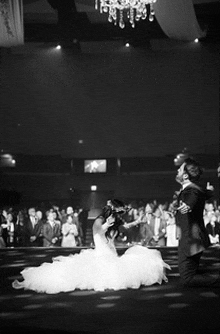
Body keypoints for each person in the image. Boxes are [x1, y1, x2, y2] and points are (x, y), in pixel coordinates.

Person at [12, 199, 170, 294]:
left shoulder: (114, 221)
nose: (116, 216)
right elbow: (98, 233)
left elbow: (122, 227)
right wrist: (107, 226)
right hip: (102, 254)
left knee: (142, 257)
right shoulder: (99, 221)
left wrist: (136, 222)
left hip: (112, 253)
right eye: (115, 213)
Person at [175, 157, 220, 287]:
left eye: (180, 169)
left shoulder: (192, 191)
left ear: (184, 175)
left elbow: (193, 196)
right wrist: (209, 192)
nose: (177, 170)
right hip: (191, 239)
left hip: (191, 241)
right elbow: (202, 192)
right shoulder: (193, 189)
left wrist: (188, 205)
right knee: (191, 272)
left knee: (187, 279)